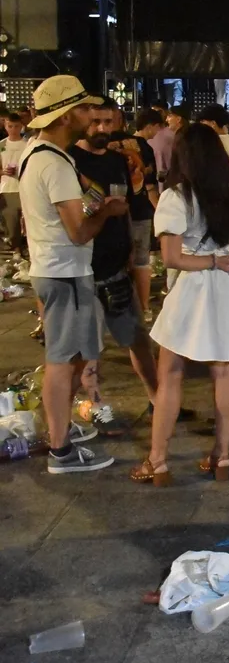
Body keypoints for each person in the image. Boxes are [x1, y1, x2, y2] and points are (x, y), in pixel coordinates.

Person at [131, 124, 229, 486]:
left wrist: (210, 259)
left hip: (197, 285)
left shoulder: (176, 198)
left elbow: (172, 258)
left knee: (171, 373)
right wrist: (224, 252)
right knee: (224, 371)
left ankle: (158, 461)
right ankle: (222, 456)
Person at [21, 75, 123, 473]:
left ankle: (61, 430)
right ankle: (61, 451)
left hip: (55, 269)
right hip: (63, 271)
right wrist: (106, 212)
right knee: (61, 362)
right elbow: (78, 232)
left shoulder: (38, 153)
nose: (90, 115)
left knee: (72, 358)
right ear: (65, 116)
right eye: (83, 108)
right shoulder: (55, 163)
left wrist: (95, 202)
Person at [69, 98, 161, 432]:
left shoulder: (119, 160)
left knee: (137, 338)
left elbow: (131, 209)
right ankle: (94, 405)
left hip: (116, 268)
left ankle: (159, 400)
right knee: (87, 349)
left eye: (108, 122)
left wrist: (132, 252)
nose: (102, 129)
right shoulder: (69, 160)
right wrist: (102, 207)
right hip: (83, 270)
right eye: (95, 122)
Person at [108, 104, 160, 320]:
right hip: (139, 209)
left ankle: (118, 310)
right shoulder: (141, 145)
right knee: (141, 261)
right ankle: (143, 308)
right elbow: (150, 183)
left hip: (109, 213)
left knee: (115, 263)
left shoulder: (92, 148)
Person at [1, 111, 27, 250]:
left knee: (28, 222)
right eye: (10, 126)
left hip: (25, 187)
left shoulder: (27, 144)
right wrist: (3, 172)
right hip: (7, 188)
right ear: (5, 126)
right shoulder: (1, 145)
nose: (13, 129)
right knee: (12, 223)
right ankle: (16, 251)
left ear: (21, 126)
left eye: (16, 126)